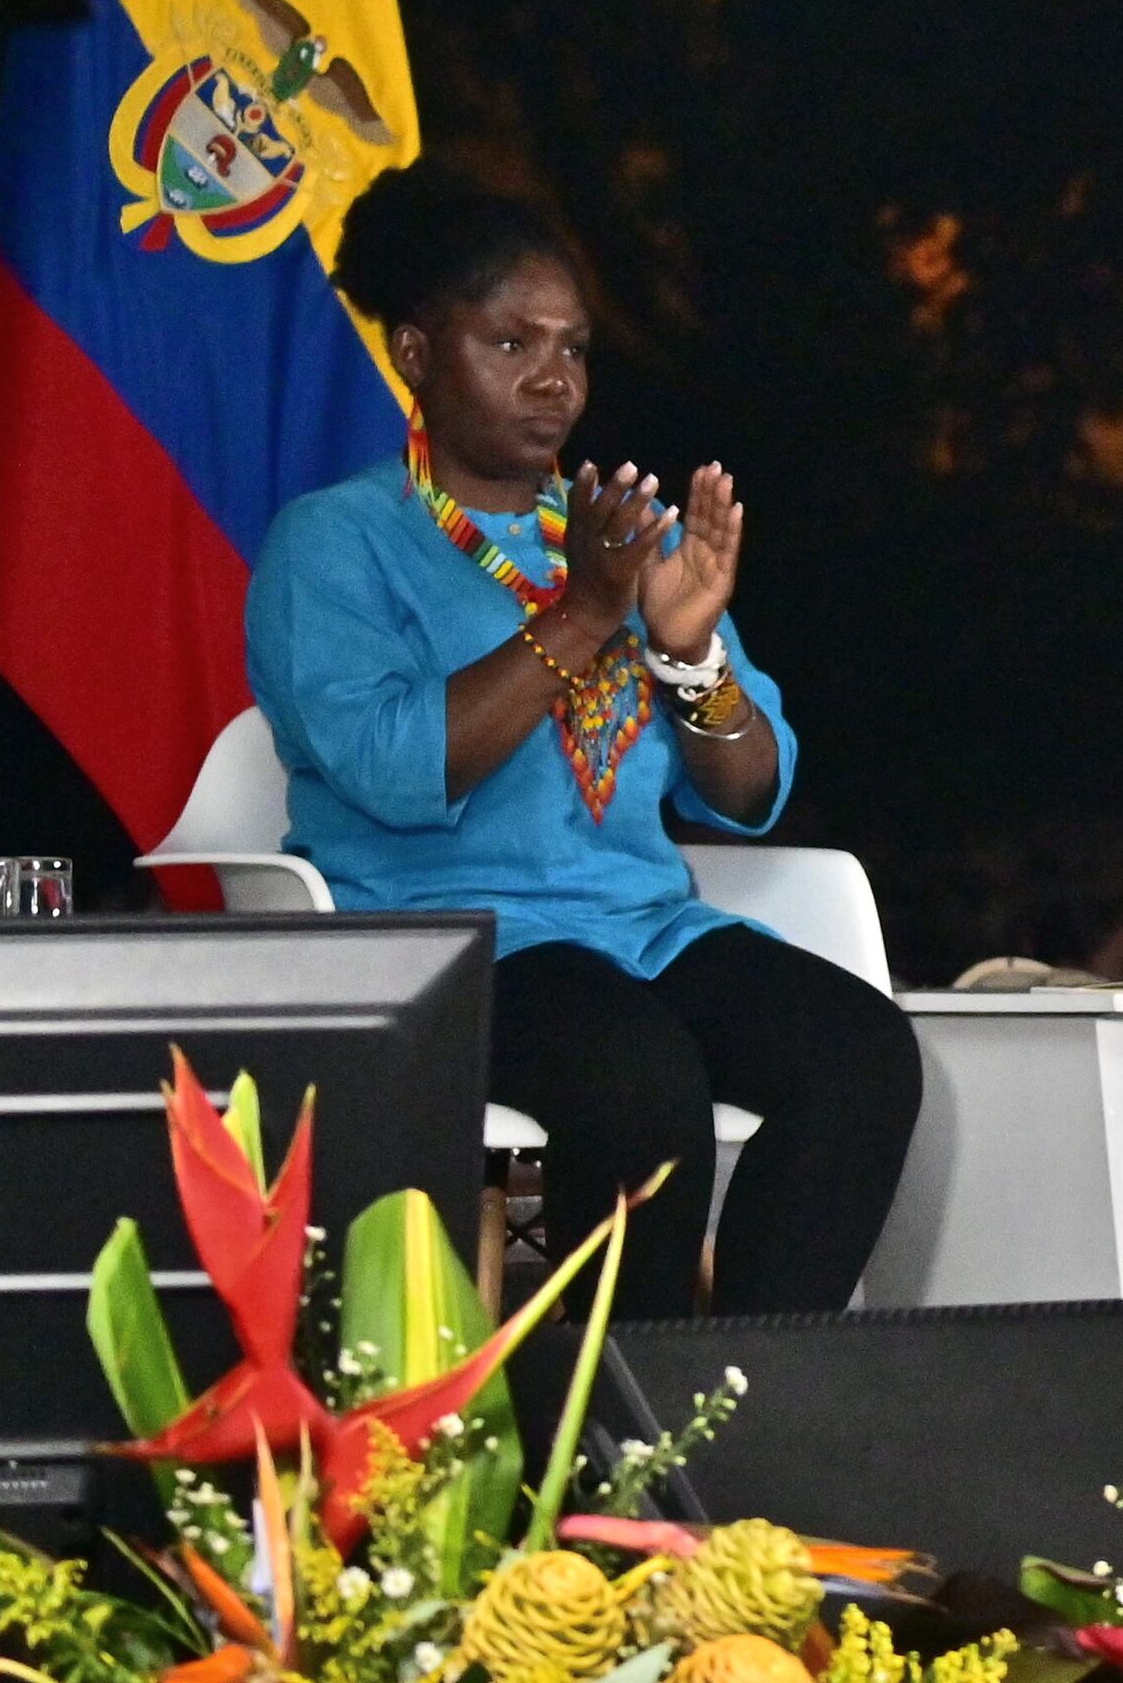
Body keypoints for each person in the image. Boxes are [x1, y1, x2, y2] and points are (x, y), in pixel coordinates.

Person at [255, 163, 918, 1318]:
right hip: (446, 944)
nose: (553, 378)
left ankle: (757, 1389)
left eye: (572, 348)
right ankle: (624, 1409)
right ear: (416, 353)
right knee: (639, 1085)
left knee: (860, 1058)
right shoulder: (337, 543)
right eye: (510, 343)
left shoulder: (617, 535)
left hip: (641, 929)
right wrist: (583, 617)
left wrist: (688, 650)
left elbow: (748, 789)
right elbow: (401, 770)